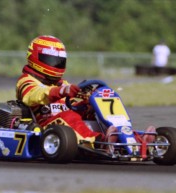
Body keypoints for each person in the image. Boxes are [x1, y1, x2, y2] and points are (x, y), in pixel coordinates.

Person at [16, 35, 155, 153]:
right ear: (35, 57)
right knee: (69, 116)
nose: (56, 64)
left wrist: (87, 103)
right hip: (46, 125)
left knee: (94, 110)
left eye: (59, 61)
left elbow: (70, 104)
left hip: (67, 123)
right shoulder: (27, 81)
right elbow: (33, 96)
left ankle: (136, 140)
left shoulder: (60, 83)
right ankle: (100, 142)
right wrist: (61, 91)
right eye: (52, 60)